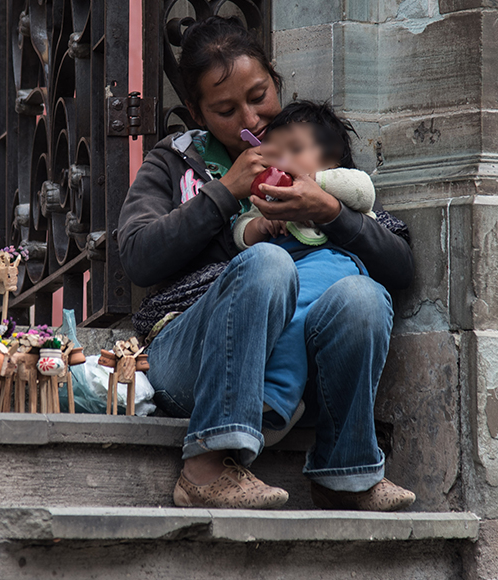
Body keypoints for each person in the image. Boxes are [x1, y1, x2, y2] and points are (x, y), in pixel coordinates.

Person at [116, 15, 417, 511]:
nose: (250, 120)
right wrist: (224, 193)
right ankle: (205, 466)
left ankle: (345, 474)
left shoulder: (307, 149)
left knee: (364, 295)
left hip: (297, 379)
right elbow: (138, 256)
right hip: (190, 362)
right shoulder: (176, 161)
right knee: (269, 262)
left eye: (259, 96)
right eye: (225, 110)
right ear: (196, 112)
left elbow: (399, 267)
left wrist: (331, 213)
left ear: (275, 80)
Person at [231, 100, 379, 444]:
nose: (283, 161)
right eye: (275, 153)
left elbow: (364, 191)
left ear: (331, 160)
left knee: (296, 315)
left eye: (295, 150)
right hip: (287, 270)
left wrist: (315, 182)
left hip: (333, 264)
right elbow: (240, 233)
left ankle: (276, 396)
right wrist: (261, 225)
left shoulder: (338, 182)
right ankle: (273, 399)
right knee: (280, 315)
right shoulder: (270, 200)